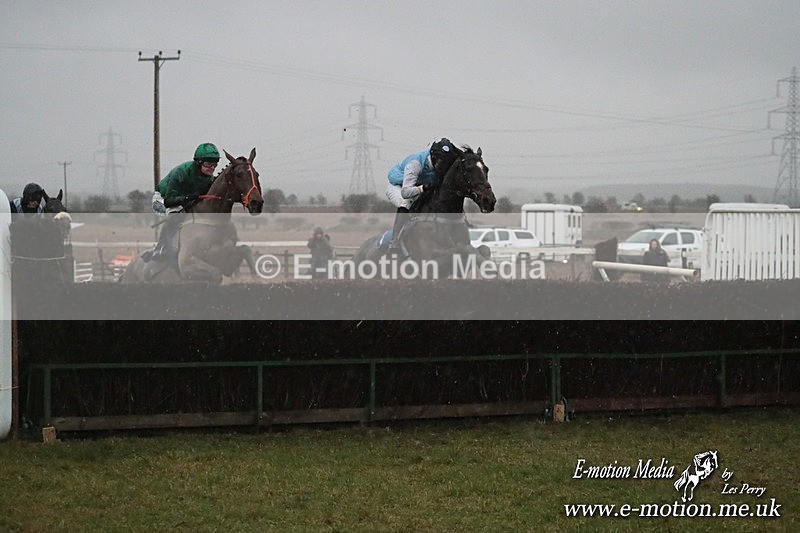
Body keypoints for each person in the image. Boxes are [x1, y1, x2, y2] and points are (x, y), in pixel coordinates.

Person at [145, 143, 220, 262]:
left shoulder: (209, 178)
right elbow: (169, 201)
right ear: (198, 162)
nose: (212, 168)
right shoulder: (181, 172)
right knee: (176, 216)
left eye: (215, 164)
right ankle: (160, 249)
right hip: (162, 200)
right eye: (208, 164)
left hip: (184, 201)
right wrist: (187, 198)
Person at [384, 138, 460, 253]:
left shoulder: (440, 158)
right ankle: (394, 242)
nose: (444, 165)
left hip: (417, 184)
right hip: (398, 186)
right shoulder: (415, 164)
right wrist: (424, 188)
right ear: (433, 157)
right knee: (405, 202)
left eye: (446, 161)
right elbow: (406, 193)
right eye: (441, 161)